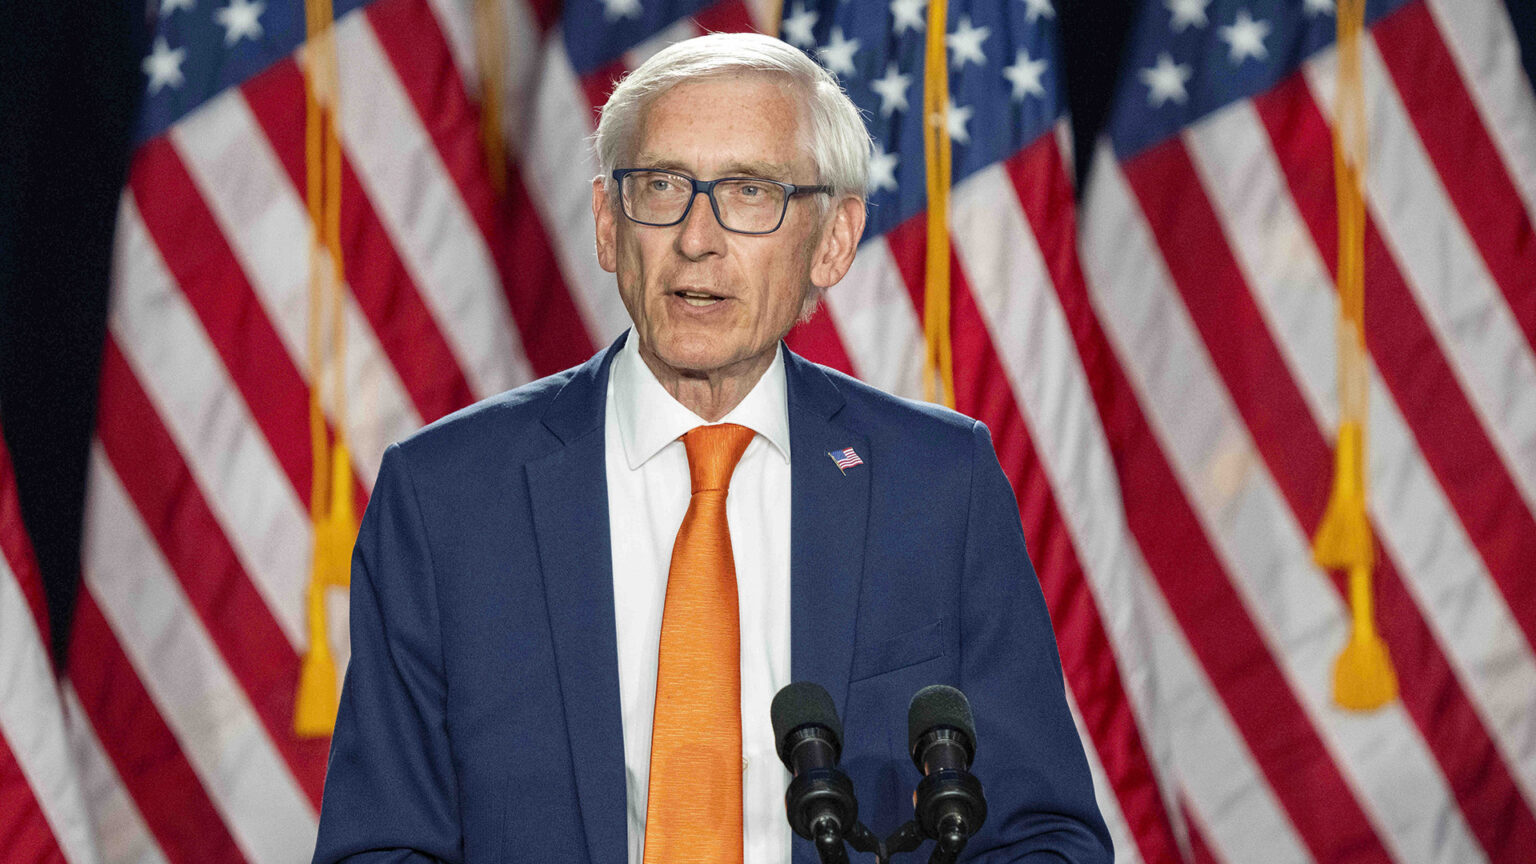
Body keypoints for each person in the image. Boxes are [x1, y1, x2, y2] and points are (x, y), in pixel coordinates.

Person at [312, 32, 1111, 864]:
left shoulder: (939, 485)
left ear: (833, 241)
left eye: (750, 192)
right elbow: (381, 847)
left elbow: (1040, 835)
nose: (698, 238)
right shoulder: (446, 499)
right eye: (661, 187)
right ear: (607, 226)